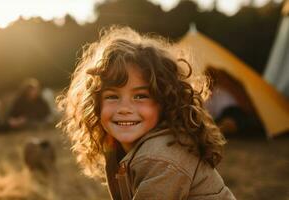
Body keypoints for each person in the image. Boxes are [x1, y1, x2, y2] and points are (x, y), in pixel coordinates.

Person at [57, 26, 236, 199]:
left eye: (140, 96)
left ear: (165, 102)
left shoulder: (159, 158)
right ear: (96, 104)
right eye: (112, 96)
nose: (124, 108)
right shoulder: (121, 148)